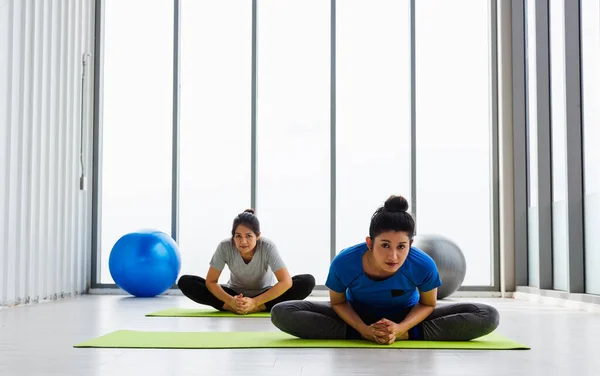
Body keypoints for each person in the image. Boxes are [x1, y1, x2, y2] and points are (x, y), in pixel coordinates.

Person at [270, 195, 499, 344]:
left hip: (406, 317)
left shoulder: (423, 263)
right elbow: (338, 302)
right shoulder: (344, 262)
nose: (393, 256)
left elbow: (428, 304)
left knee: (487, 315)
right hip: (356, 316)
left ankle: (406, 335)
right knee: (282, 312)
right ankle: (361, 334)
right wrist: (363, 328)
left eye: (402, 247)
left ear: (411, 244)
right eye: (385, 246)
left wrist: (399, 329)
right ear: (370, 243)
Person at [178, 209, 315, 314]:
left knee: (307, 281)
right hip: (233, 294)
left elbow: (286, 281)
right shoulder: (225, 247)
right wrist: (231, 301)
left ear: (258, 236)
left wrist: (255, 302)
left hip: (265, 296)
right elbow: (211, 281)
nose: (243, 241)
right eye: (238, 236)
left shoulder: (268, 247)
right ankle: (234, 307)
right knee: (186, 281)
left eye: (249, 236)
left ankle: (257, 308)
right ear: (233, 236)